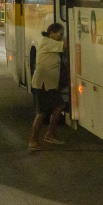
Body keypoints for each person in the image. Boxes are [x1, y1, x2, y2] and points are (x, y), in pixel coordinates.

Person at [28, 22, 67, 150]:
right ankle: (34, 140)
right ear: (51, 33)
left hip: (48, 84)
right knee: (42, 112)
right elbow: (66, 44)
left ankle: (50, 133)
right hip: (43, 84)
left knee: (57, 106)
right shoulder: (47, 42)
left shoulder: (50, 42)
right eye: (59, 34)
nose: (61, 37)